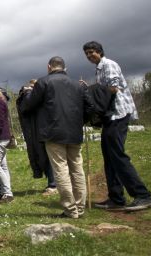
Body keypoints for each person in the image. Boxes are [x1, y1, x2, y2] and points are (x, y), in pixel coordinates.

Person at [82, 41, 151, 212]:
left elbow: (113, 88)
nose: (89, 56)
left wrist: (90, 91)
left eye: (92, 52)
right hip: (110, 116)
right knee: (109, 156)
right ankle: (116, 198)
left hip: (118, 114)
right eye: (86, 53)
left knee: (117, 155)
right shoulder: (99, 68)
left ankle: (143, 195)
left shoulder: (109, 64)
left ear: (100, 52)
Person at [19, 57, 92, 218]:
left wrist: (28, 92)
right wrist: (80, 121)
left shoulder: (43, 83)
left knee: (61, 169)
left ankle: (70, 210)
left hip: (53, 132)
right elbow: (89, 107)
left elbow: (29, 105)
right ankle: (80, 208)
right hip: (74, 131)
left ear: (48, 67)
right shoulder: (78, 85)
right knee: (77, 168)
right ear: (65, 68)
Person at [16, 80, 57, 196]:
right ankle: (53, 183)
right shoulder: (32, 97)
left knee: (48, 158)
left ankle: (53, 184)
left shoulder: (44, 95)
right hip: (36, 131)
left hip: (45, 130)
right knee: (44, 157)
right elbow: (24, 107)